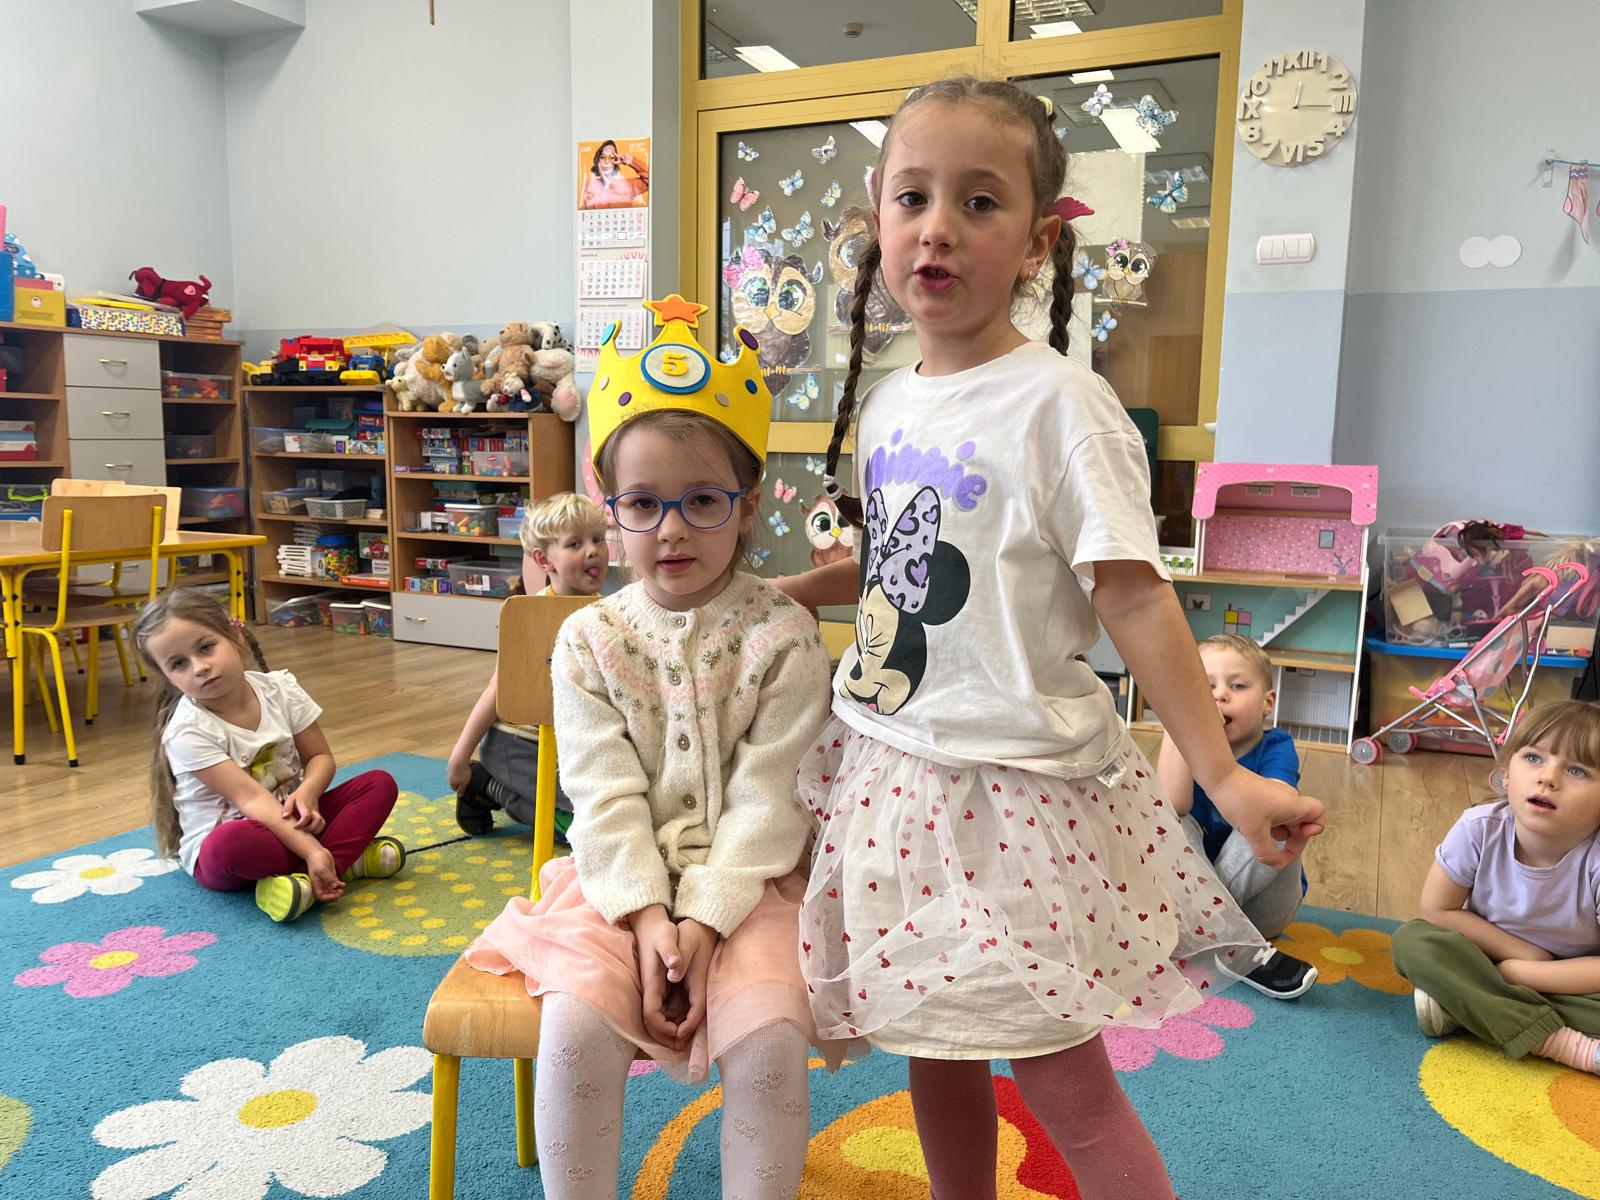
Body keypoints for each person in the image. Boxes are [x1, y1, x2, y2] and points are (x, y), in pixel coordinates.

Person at [775, 78, 1325, 1200]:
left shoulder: (1063, 405)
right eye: (912, 197)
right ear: (877, 218)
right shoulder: (886, 402)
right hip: (892, 777)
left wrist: (1222, 774)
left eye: (979, 203)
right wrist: (783, 590)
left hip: (1015, 795)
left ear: (1034, 244)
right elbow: (897, 565)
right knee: (932, 1044)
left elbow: (1135, 598)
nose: (937, 227)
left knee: (1065, 1083)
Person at [465, 295, 840, 1200]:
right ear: (612, 513)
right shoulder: (588, 639)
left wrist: (702, 923)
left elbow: (771, 799)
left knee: (769, 1042)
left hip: (753, 886)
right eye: (642, 504)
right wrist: (645, 920)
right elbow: (602, 797)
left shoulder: (785, 636)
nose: (671, 529)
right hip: (613, 884)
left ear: (747, 508)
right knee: (574, 1036)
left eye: (702, 501)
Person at [133, 590, 403, 923]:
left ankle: (309, 878)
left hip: (296, 820)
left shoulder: (281, 689)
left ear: (235, 635)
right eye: (179, 664)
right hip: (236, 842)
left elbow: (320, 757)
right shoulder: (187, 731)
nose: (200, 667)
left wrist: (309, 792)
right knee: (231, 844)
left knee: (378, 784)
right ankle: (337, 862)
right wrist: (311, 849)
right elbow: (252, 800)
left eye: (206, 648)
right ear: (167, 677)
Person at [1393, 700, 1600, 1076]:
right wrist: (1524, 955)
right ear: (1506, 775)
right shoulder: (1479, 828)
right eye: (1534, 758)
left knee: (1460, 978)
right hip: (1485, 958)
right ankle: (1563, 1044)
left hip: (1571, 978)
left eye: (1577, 770)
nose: (1548, 778)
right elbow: (1438, 910)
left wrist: (1523, 975)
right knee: (1414, 942)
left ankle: (1466, 1008)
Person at [1157, 634, 1319, 999]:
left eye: (1237, 686)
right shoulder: (1185, 747)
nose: (1218, 696)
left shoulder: (1276, 746)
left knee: (1277, 815)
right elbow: (1171, 806)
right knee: (1169, 821)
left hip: (1264, 910)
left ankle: (1209, 933)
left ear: (1267, 703)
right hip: (1194, 900)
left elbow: (1279, 807)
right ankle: (1230, 944)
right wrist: (1177, 722)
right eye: (1205, 687)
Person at [449, 492, 609, 837]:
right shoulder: (527, 615)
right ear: (543, 559)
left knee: (613, 813)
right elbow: (498, 688)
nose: (593, 550)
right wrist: (460, 757)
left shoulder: (608, 613)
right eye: (575, 543)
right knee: (584, 834)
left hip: (574, 745)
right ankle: (487, 785)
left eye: (598, 539)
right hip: (519, 743)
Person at [580, 139, 649, 209]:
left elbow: (651, 179)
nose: (607, 161)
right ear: (598, 160)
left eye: (611, 157)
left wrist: (631, 161)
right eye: (603, 157)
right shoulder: (589, 184)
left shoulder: (627, 186)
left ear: (616, 161)